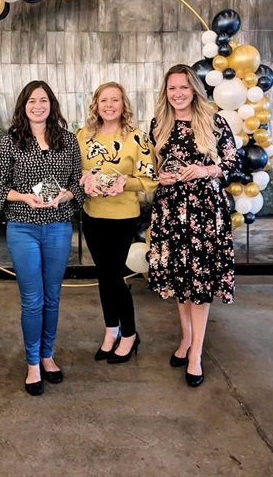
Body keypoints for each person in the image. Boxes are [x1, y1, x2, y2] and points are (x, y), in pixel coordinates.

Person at [147, 64, 241, 387]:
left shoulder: (215, 123)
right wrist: (158, 176)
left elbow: (232, 165)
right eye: (172, 88)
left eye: (184, 87)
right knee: (180, 280)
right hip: (171, 212)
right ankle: (186, 338)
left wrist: (206, 170)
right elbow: (151, 166)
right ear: (166, 91)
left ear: (195, 90)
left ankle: (196, 354)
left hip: (203, 212)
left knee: (199, 285)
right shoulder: (159, 124)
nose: (178, 94)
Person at [0, 81, 85, 396]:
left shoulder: (68, 141)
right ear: (23, 105)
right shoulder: (9, 142)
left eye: (43, 100)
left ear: (52, 105)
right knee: (32, 300)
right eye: (32, 100)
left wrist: (65, 195)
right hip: (23, 227)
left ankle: (48, 356)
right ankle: (32, 363)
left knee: (53, 297)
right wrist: (24, 198)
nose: (38, 105)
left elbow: (78, 182)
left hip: (58, 226)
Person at [77, 82, 157, 364]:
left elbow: (150, 180)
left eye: (115, 100)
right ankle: (111, 330)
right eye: (103, 100)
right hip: (93, 216)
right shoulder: (83, 136)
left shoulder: (136, 138)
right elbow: (74, 172)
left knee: (113, 276)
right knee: (104, 275)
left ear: (124, 105)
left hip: (123, 218)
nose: (109, 105)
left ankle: (130, 333)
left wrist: (126, 182)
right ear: (95, 105)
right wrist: (83, 181)